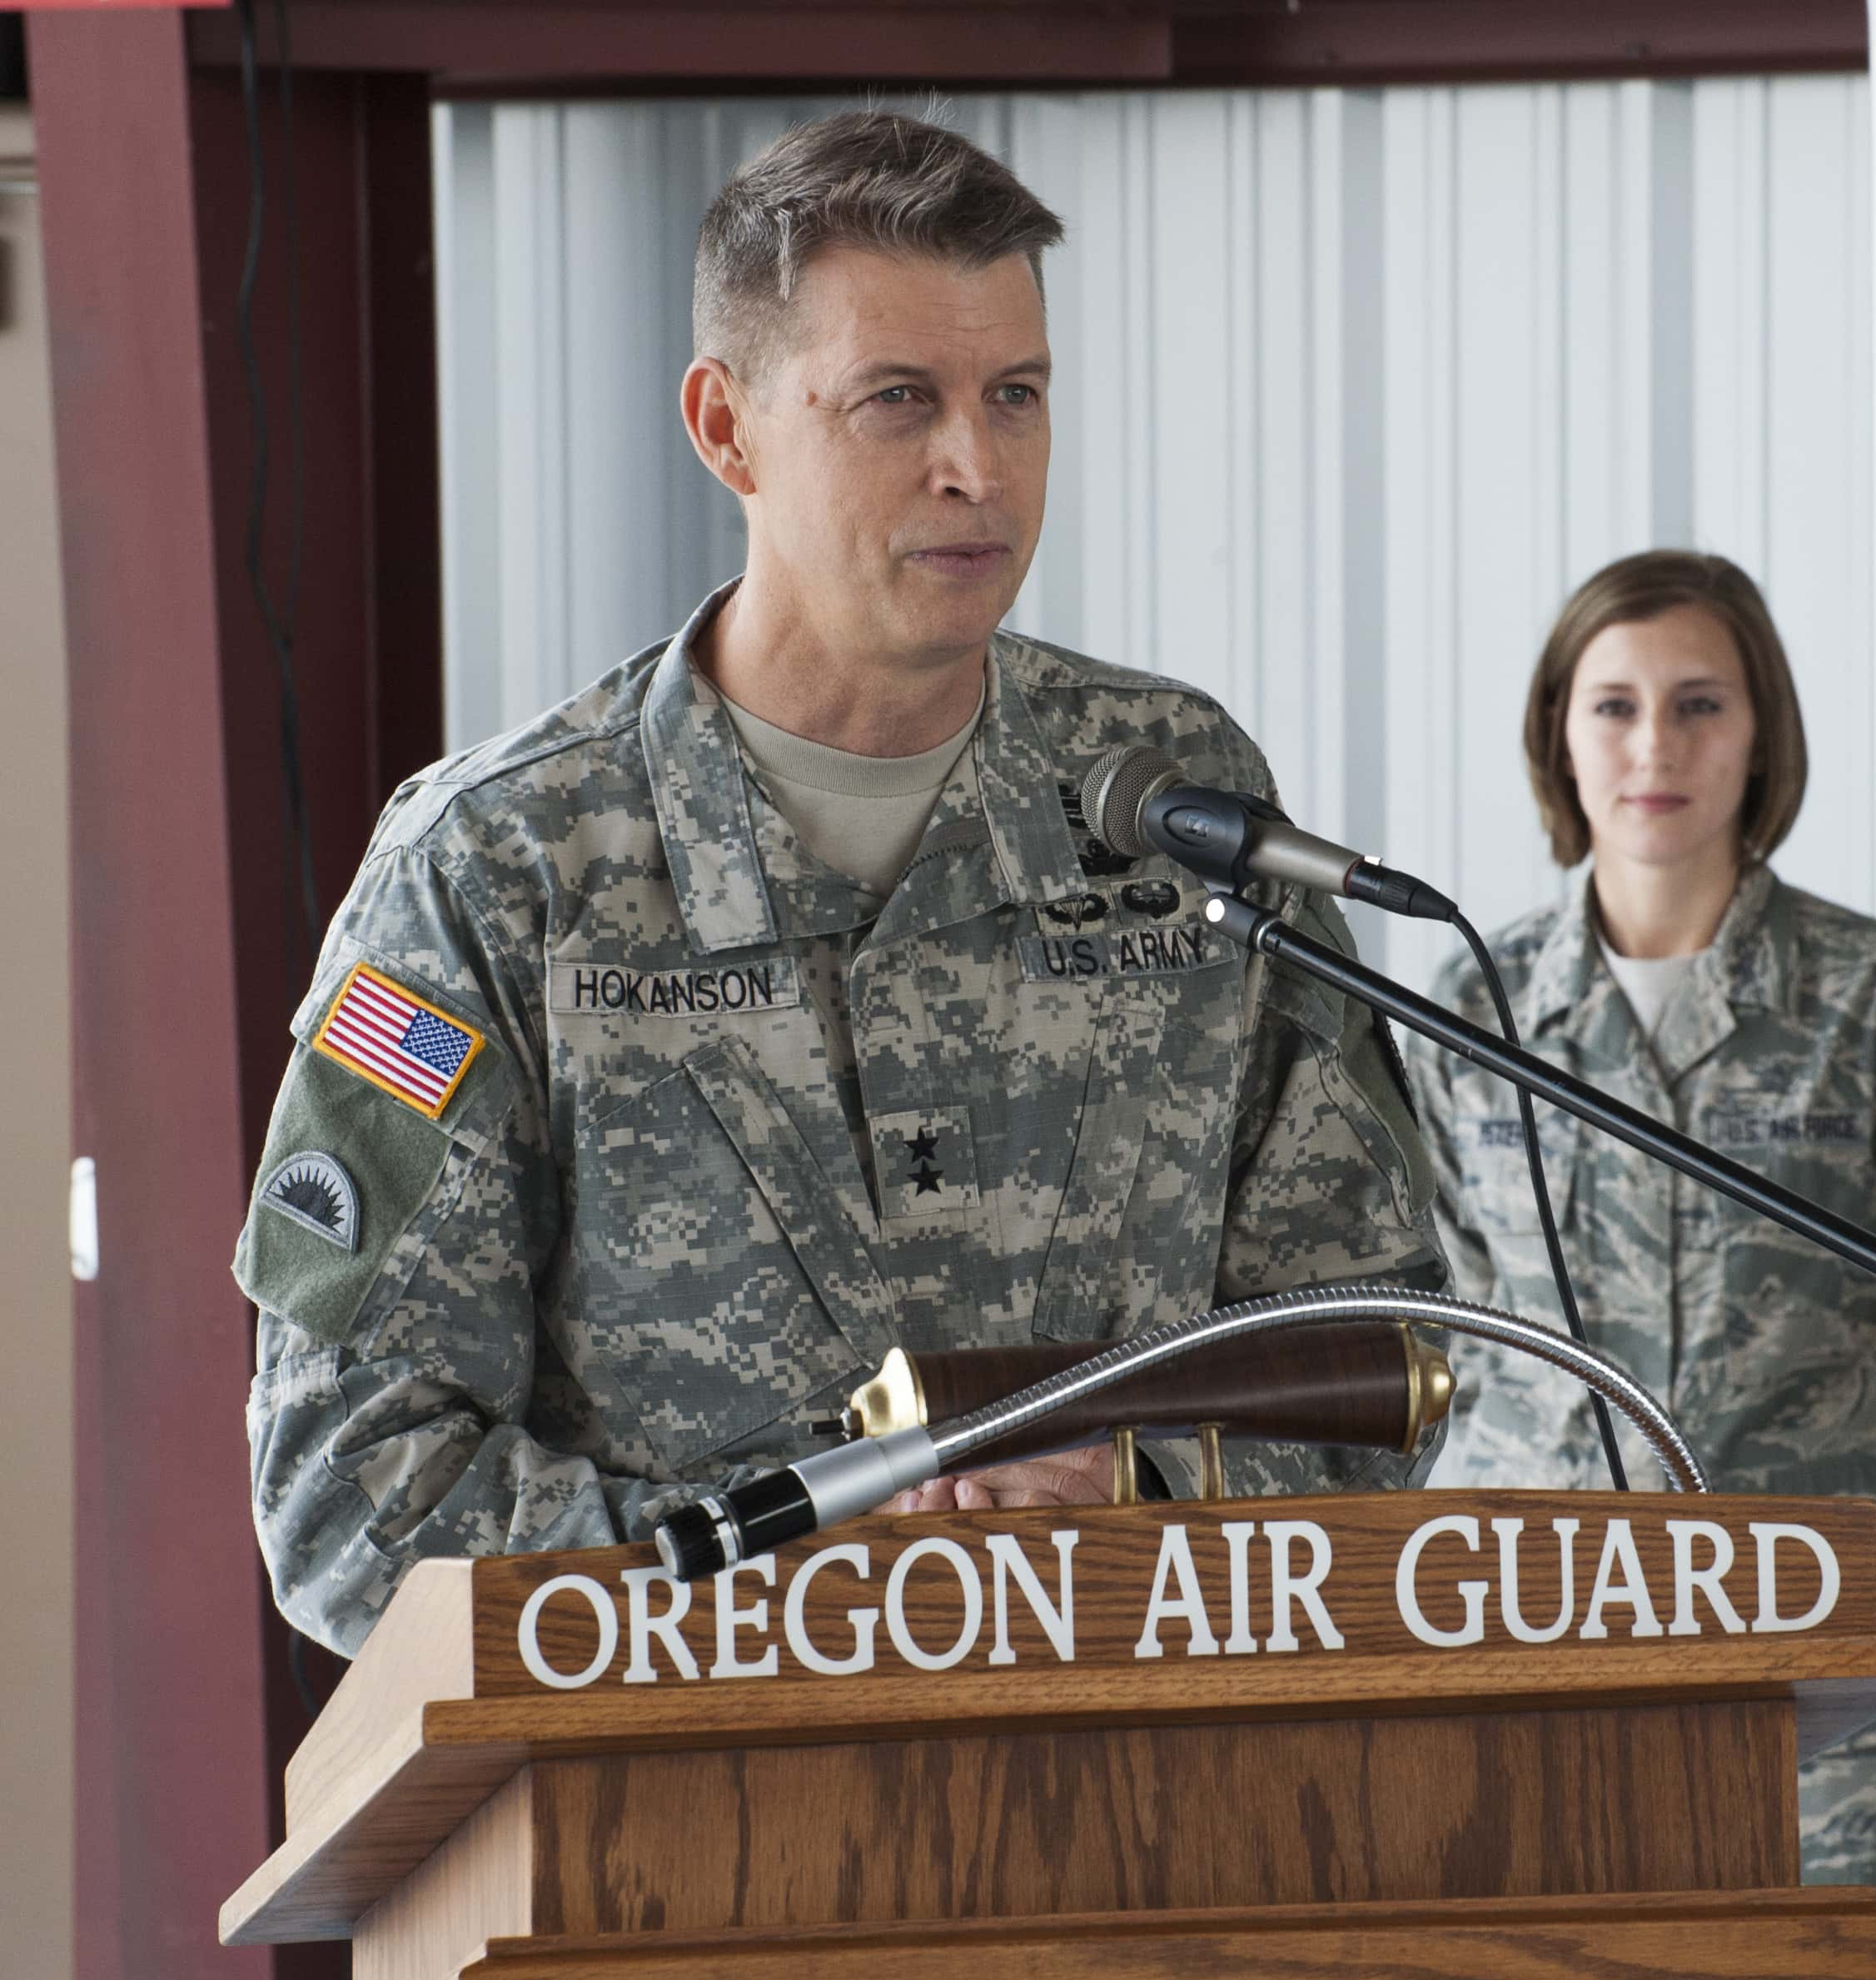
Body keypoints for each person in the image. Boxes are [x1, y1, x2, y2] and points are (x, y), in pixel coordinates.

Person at [236, 112, 1443, 1657]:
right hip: (691, 1839)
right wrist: (808, 1583)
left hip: (1152, 1809)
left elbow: (1382, 1353)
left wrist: (1139, 1490)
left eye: (1017, 396)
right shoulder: (502, 868)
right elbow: (349, 1491)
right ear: (726, 427)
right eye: (899, 402)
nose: (977, 466)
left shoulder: (1161, 800)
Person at [1411, 550, 1876, 1980]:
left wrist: (1851, 1542)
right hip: (1543, 1668)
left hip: (1844, 1679)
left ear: (1762, 733)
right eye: (1615, 705)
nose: (1654, 748)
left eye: (1700, 704)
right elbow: (1435, 1345)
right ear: (1557, 735)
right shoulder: (1468, 1014)